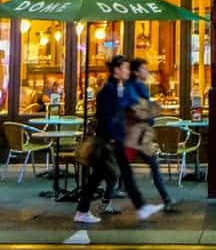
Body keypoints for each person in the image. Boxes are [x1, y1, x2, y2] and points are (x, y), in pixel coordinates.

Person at [75, 56, 162, 223]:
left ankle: (141, 207)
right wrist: (114, 138)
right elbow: (107, 117)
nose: (128, 71)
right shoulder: (108, 90)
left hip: (113, 139)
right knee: (103, 176)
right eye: (126, 68)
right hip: (108, 140)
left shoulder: (117, 88)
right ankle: (82, 211)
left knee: (113, 175)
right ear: (117, 70)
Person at [124, 58, 177, 212]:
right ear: (136, 72)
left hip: (138, 135)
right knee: (125, 167)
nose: (147, 72)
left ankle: (166, 198)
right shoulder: (134, 88)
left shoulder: (138, 87)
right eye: (144, 69)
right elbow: (138, 110)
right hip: (135, 135)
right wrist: (151, 113)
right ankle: (165, 198)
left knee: (127, 167)